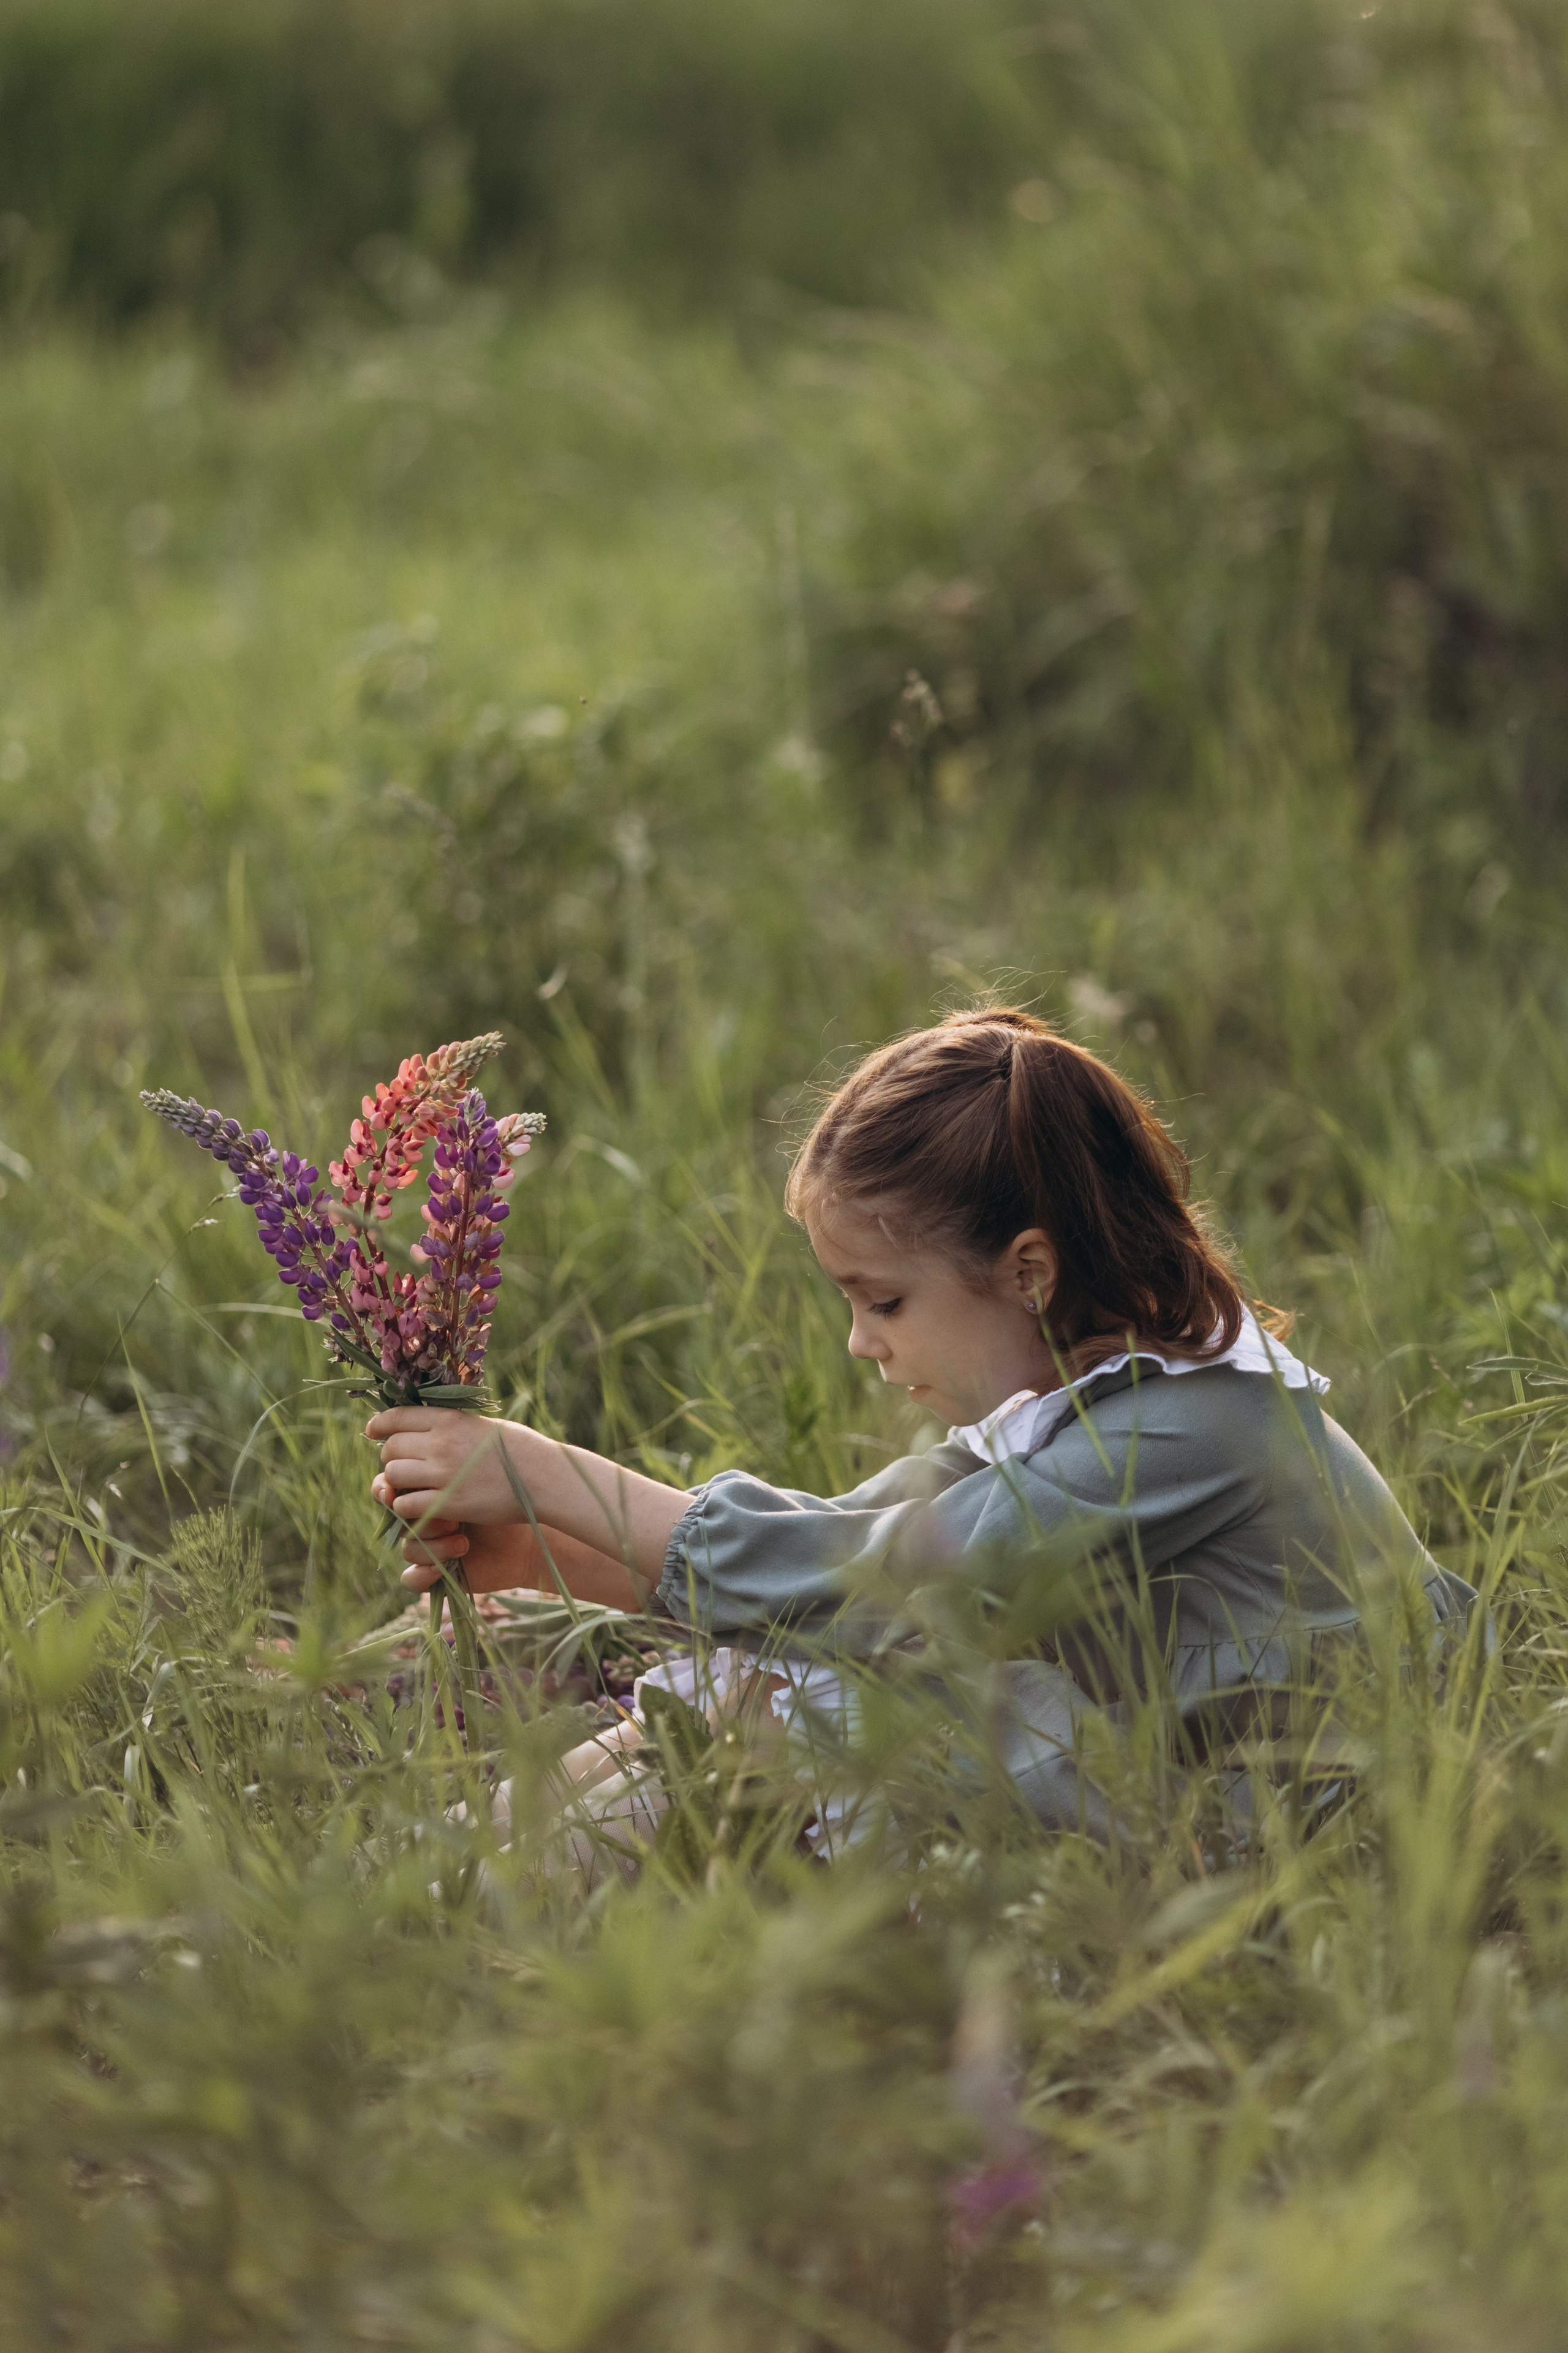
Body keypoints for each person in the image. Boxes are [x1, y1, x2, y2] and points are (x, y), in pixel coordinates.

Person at [368, 1005, 1468, 1856]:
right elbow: (833, 1545)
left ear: (1028, 1272)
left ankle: (475, 1902)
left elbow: (872, 1581)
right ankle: (457, 1875)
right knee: (792, 1668)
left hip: (1286, 1852)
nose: (862, 1344)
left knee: (843, 1674)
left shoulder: (1194, 1430)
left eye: (883, 1302)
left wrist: (551, 1471)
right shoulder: (1083, 1407)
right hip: (1181, 1804)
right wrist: (553, 1554)